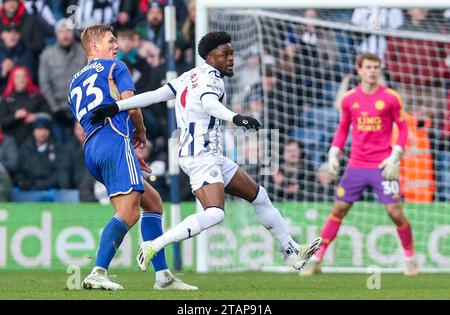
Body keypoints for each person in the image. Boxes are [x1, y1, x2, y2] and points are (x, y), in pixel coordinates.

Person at [90, 31, 322, 273]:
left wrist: (117, 106)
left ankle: (291, 251)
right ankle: (153, 246)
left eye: (232, 53)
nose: (231, 58)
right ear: (210, 58)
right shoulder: (213, 80)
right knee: (214, 214)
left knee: (259, 195)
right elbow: (209, 103)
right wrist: (236, 118)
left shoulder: (190, 75)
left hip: (210, 154)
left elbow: (157, 95)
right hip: (199, 155)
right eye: (225, 54)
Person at [68, 24, 196, 291]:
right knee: (129, 212)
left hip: (93, 148)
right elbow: (131, 104)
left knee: (153, 203)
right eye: (110, 41)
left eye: (116, 41)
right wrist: (140, 132)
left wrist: (125, 152)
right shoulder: (116, 67)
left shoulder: (74, 82)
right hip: (113, 140)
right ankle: (98, 271)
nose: (116, 46)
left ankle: (163, 277)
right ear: (94, 47)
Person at [300, 53, 418, 276]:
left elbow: (402, 128)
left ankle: (410, 259)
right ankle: (316, 259)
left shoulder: (391, 98)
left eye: (376, 67)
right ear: (359, 70)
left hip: (382, 165)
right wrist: (334, 154)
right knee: (338, 209)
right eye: (368, 67)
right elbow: (343, 128)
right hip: (356, 165)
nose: (373, 71)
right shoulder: (349, 99)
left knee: (395, 213)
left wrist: (396, 155)